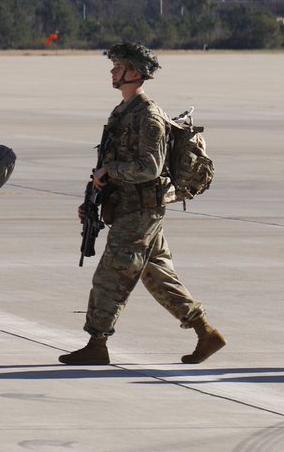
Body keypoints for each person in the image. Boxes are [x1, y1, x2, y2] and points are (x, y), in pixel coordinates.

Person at [60, 43, 226, 365]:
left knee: (110, 276)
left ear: (134, 73)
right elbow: (111, 159)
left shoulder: (149, 116)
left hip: (140, 211)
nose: (112, 71)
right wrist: (94, 198)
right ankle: (206, 333)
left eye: (118, 66)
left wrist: (111, 171)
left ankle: (97, 344)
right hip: (130, 207)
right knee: (158, 277)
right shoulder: (122, 112)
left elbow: (150, 167)